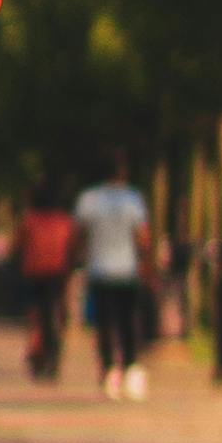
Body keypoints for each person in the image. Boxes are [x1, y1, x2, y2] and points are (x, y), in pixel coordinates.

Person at [73, 160, 152, 398]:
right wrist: (146, 261)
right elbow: (143, 237)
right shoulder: (132, 199)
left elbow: (79, 234)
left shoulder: (89, 200)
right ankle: (130, 368)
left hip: (99, 270)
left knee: (104, 323)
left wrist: (79, 257)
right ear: (123, 173)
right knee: (129, 321)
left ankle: (109, 371)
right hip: (127, 270)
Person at [15, 190, 76, 379]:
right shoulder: (65, 221)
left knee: (35, 315)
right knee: (55, 313)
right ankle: (54, 357)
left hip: (34, 273)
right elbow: (72, 246)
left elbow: (16, 246)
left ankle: (37, 349)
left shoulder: (29, 220)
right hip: (58, 273)